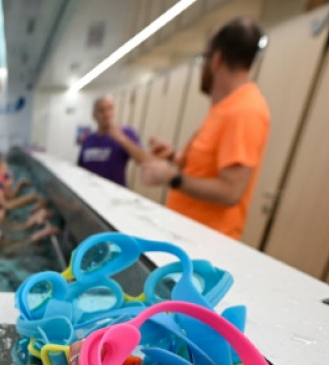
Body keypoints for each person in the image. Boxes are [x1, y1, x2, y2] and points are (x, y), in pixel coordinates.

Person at [139, 17, 270, 240]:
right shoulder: (225, 107)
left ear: (216, 59)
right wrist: (174, 157)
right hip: (186, 235)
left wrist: (172, 178)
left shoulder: (244, 111)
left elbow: (231, 191)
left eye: (204, 58)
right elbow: (208, 169)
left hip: (206, 244)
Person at [77, 95, 150, 187]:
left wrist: (121, 139)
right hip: (89, 192)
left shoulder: (126, 133)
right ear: (94, 115)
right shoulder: (88, 140)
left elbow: (143, 160)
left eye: (110, 109)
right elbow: (80, 168)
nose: (106, 114)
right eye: (101, 110)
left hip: (114, 195)